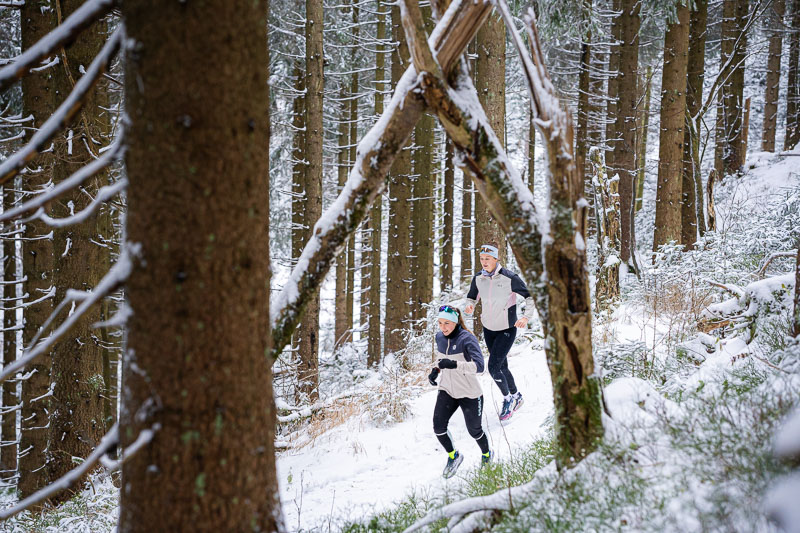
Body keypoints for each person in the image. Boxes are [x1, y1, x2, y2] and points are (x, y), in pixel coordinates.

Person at [465, 242, 534, 423]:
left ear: (497, 259)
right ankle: (517, 395)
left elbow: (529, 296)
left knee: (493, 368)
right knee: (502, 366)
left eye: (488, 258)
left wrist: (526, 317)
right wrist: (470, 305)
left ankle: (507, 399)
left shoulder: (509, 278)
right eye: (481, 258)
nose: (484, 262)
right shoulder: (479, 278)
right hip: (489, 329)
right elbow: (472, 296)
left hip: (507, 329)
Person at [428, 305, 493, 478]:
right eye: (440, 323)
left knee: (474, 431)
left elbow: (479, 367)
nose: (443, 327)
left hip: (469, 392)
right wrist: (436, 370)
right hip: (447, 389)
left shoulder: (467, 339)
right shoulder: (439, 337)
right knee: (438, 427)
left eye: (447, 323)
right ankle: (454, 456)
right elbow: (441, 358)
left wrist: (455, 364)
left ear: (456, 322)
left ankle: (487, 455)